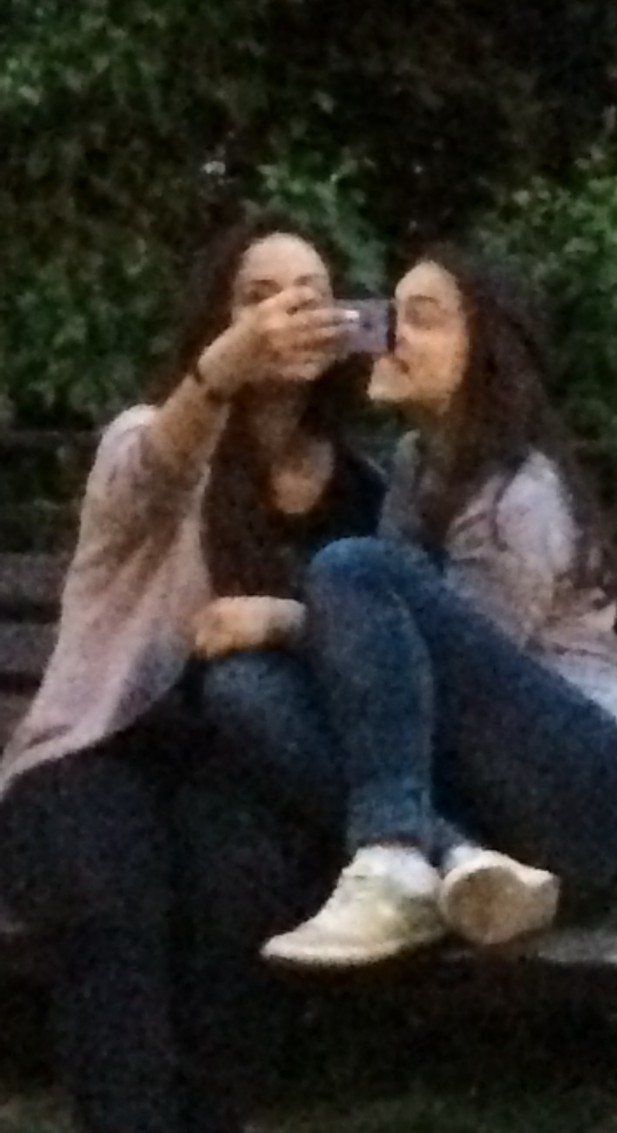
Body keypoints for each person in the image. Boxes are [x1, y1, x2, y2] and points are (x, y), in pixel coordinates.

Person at [0, 209, 384, 1133]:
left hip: (243, 771)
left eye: (309, 295)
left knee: (237, 890)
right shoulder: (152, 436)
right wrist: (222, 371)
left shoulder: (366, 489)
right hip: (101, 752)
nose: (285, 314)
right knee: (113, 897)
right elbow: (155, 472)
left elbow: (377, 641)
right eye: (258, 297)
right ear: (218, 320)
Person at [198, 246, 617, 970]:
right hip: (490, 808)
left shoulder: (522, 494)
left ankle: (394, 855)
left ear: (485, 356)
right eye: (390, 315)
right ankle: (459, 860)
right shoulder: (416, 465)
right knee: (242, 689)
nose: (390, 336)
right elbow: (392, 686)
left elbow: (445, 687)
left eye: (422, 319)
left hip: (588, 786)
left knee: (349, 566)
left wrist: (283, 618)